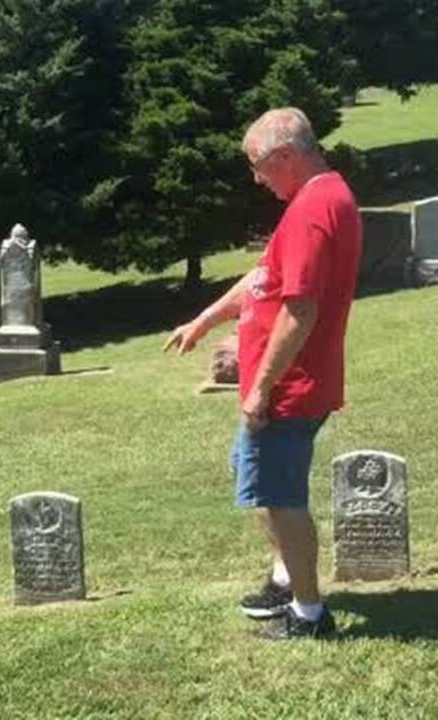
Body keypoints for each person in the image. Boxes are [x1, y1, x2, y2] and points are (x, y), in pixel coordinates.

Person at [164, 107, 362, 639]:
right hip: (285, 388)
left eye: (258, 166)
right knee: (251, 473)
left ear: (284, 157)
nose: (255, 179)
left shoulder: (314, 209)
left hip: (289, 391)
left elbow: (301, 311)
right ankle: (284, 575)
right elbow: (263, 277)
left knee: (282, 498)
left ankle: (309, 613)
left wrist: (261, 388)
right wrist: (205, 320)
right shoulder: (315, 198)